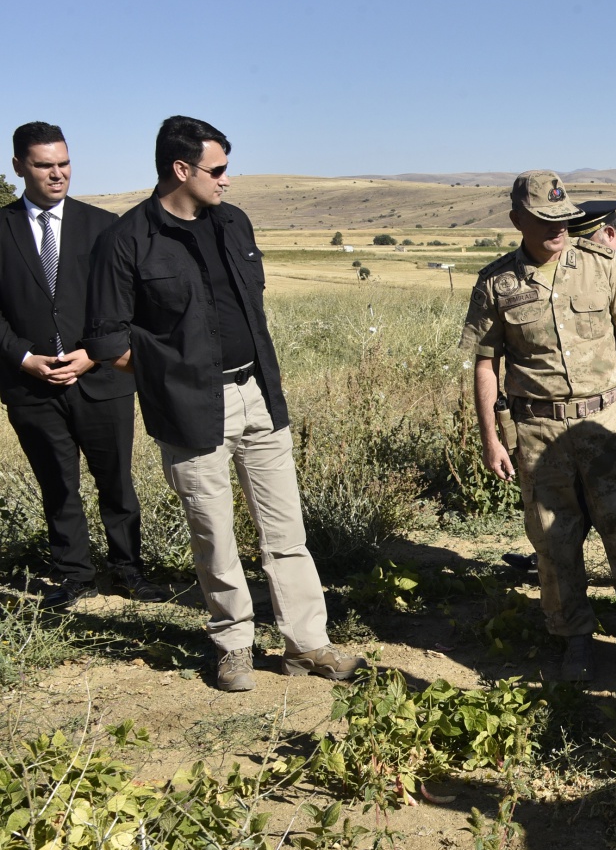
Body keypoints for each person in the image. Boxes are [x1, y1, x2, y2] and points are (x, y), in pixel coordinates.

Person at [84, 116, 356, 691]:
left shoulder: (234, 222)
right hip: (188, 408)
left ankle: (306, 643)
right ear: (181, 170)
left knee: (285, 530)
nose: (227, 181)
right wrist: (165, 376)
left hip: (258, 394)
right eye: (218, 169)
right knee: (214, 533)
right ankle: (233, 644)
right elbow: (109, 339)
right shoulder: (128, 239)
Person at [461, 171, 616, 680]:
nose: (559, 228)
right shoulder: (496, 283)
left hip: (604, 423)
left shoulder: (601, 266)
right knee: (553, 543)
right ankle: (574, 639)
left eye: (564, 218)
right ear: (518, 220)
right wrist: (492, 439)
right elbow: (484, 364)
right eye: (544, 220)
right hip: (537, 433)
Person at [1, 123, 163, 610]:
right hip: (30, 385)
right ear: (17, 168)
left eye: (64, 163)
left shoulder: (105, 227)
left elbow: (131, 301)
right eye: (44, 165)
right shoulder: (0, 228)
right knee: (57, 485)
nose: (57, 174)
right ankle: (73, 576)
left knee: (116, 482)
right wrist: (24, 358)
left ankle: (129, 570)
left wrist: (95, 353)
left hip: (102, 379)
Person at [499, 200, 616, 577]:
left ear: (608, 235)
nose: (573, 248)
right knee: (581, 498)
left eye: (583, 236)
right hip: (596, 400)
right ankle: (553, 565)